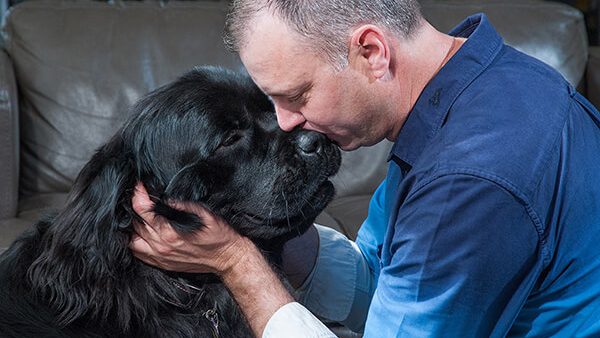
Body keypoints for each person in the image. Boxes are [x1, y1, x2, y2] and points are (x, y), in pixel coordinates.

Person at [129, 0, 600, 337]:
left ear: (372, 52)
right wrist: (276, 234)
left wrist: (238, 263)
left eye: (295, 96)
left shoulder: (467, 178)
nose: (287, 122)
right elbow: (384, 279)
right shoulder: (478, 87)